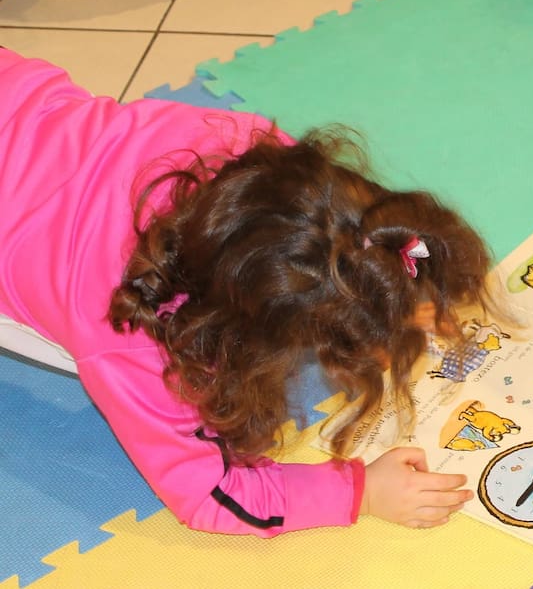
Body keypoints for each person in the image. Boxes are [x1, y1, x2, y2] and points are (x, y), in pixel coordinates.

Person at [0, 48, 498, 535]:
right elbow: (210, 494)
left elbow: (346, 240)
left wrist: (400, 297)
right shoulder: (135, 335)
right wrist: (360, 491)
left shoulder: (259, 153)